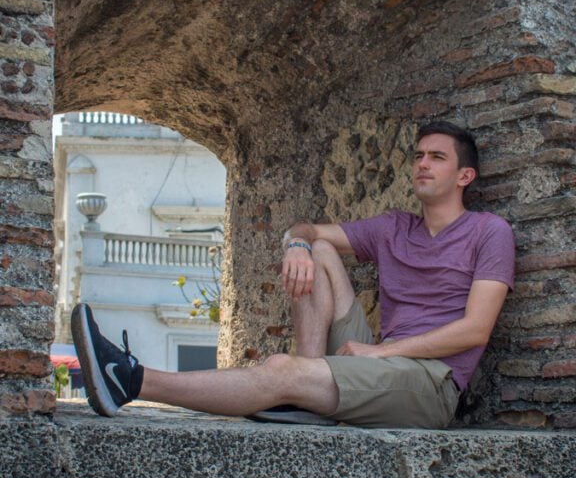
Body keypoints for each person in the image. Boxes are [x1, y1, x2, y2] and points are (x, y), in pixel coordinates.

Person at [71, 120, 515, 429]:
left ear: (465, 175)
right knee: (319, 247)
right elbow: (303, 229)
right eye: (419, 155)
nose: (422, 164)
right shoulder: (394, 227)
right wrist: (296, 244)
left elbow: (475, 330)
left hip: (428, 384)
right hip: (385, 360)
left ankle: (130, 379)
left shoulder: (488, 232)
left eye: (437, 157)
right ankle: (306, 386)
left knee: (281, 369)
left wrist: (382, 354)